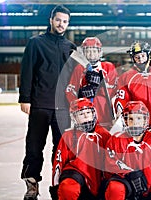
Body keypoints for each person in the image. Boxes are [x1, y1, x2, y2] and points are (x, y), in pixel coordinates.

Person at [18, 5, 76, 200]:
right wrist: (25, 98)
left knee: (61, 149)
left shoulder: (70, 48)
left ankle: (58, 184)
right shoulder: (36, 43)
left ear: (68, 24)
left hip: (63, 108)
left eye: (65, 21)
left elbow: (77, 77)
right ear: (51, 20)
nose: (61, 24)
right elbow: (27, 72)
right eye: (58, 20)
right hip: (40, 104)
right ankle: (32, 186)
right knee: (34, 147)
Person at [50, 98, 110, 200]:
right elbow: (59, 162)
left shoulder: (103, 134)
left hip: (98, 176)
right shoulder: (68, 136)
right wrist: (55, 185)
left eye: (88, 112)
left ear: (93, 113)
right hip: (75, 173)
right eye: (81, 114)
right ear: (74, 118)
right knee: (68, 188)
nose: (86, 116)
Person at [104, 101, 151, 200]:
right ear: (125, 121)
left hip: (148, 188)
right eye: (131, 119)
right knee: (115, 188)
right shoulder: (116, 139)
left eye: (139, 118)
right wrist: (129, 173)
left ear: (145, 120)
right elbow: (110, 162)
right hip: (126, 183)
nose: (135, 123)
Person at [114, 41, 151, 128]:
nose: (140, 59)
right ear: (133, 58)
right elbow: (121, 102)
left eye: (143, 56)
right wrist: (122, 120)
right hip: (134, 125)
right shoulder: (125, 78)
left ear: (148, 55)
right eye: (137, 57)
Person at [65, 37, 118, 129]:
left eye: (94, 51)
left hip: (105, 113)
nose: (91, 54)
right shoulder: (79, 69)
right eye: (88, 51)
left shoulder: (108, 67)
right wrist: (80, 100)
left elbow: (115, 89)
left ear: (99, 52)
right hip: (86, 116)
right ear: (84, 53)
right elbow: (70, 91)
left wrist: (98, 89)